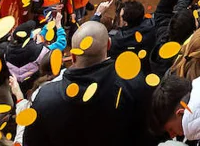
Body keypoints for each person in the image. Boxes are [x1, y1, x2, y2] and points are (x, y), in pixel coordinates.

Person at [23, 22, 151, 146]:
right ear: (108, 44)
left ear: (73, 56)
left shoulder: (45, 97)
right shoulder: (134, 84)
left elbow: (32, 141)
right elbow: (145, 133)